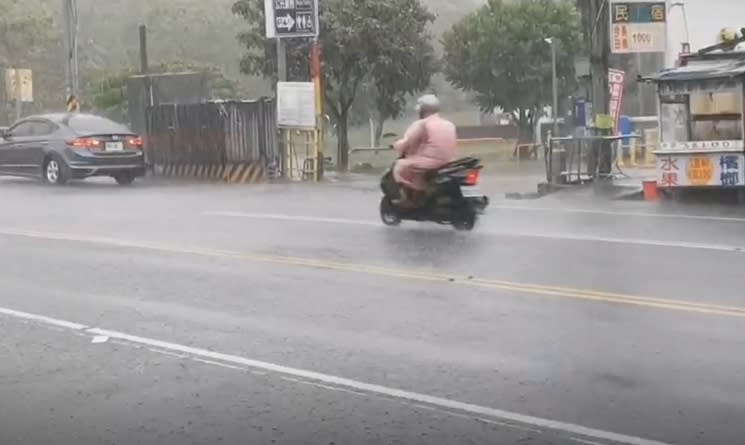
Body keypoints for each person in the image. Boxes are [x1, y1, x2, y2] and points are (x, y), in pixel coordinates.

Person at [392, 94, 457, 207]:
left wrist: (396, 145)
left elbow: (407, 142)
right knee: (416, 167)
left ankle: (408, 199)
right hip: (448, 161)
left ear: (423, 110)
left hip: (431, 162)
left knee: (400, 165)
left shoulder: (422, 124)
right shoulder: (449, 124)